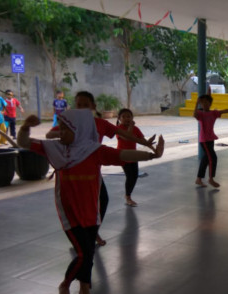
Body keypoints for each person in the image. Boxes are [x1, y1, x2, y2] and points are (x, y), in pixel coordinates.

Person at [17, 109, 164, 294]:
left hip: (91, 211)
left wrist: (151, 155)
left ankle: (84, 292)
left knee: (88, 254)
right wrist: (25, 127)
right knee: (83, 253)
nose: (61, 132)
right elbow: (24, 143)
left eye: (65, 129)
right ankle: (65, 285)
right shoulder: (55, 148)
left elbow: (122, 154)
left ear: (80, 130)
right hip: (70, 212)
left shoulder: (94, 151)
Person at [46, 91, 155, 246]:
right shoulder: (71, 122)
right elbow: (50, 134)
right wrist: (64, 136)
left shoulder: (100, 124)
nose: (82, 108)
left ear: (93, 106)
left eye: (86, 105)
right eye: (79, 105)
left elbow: (123, 134)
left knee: (102, 200)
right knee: (75, 204)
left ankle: (92, 232)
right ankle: (80, 237)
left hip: (92, 171)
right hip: (72, 172)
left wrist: (146, 144)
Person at [194, 94, 228, 188]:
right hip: (204, 140)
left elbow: (224, 110)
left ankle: (199, 179)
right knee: (213, 158)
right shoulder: (200, 114)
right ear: (201, 105)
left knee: (205, 159)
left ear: (210, 104)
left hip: (211, 139)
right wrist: (196, 103)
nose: (205, 105)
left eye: (206, 103)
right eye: (203, 104)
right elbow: (194, 114)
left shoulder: (213, 113)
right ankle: (211, 179)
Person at [116, 108, 145, 207]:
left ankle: (128, 195)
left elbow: (142, 140)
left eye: (128, 116)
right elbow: (127, 137)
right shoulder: (119, 129)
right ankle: (128, 197)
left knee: (135, 176)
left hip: (133, 155)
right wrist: (131, 126)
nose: (126, 118)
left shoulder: (136, 129)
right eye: (123, 117)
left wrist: (154, 149)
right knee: (130, 176)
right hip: (123, 155)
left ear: (132, 117)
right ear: (119, 118)